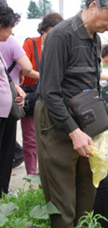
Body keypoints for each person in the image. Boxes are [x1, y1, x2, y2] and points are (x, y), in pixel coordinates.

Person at [35, 0, 108, 228]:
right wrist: (73, 131)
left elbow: (92, 85)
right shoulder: (61, 36)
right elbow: (49, 91)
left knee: (87, 192)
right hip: (56, 121)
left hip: (84, 121)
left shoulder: (94, 40)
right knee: (63, 198)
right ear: (93, 6)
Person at [21, 13, 63, 184]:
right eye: (52, 30)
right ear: (44, 29)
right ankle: (32, 175)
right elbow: (25, 69)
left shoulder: (60, 44)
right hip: (32, 93)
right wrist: (45, 77)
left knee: (50, 136)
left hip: (51, 95)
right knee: (30, 138)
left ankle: (49, 173)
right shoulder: (31, 43)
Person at [0, 0, 26, 196]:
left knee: (6, 154)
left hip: (6, 111)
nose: (10, 35)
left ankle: (3, 193)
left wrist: (15, 86)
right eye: (8, 29)